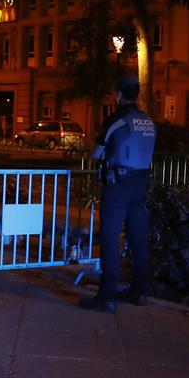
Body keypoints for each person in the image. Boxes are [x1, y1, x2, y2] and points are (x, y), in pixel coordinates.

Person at [79, 74, 156, 313]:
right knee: (138, 240)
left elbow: (95, 153)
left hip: (119, 185)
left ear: (118, 95)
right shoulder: (148, 121)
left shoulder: (117, 119)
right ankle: (140, 292)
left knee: (111, 239)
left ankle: (107, 297)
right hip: (141, 184)